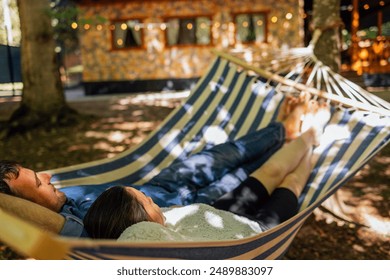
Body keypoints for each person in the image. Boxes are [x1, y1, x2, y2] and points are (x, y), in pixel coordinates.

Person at [0, 94, 320, 237]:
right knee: (245, 175)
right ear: (28, 211)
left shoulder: (62, 198)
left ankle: (284, 130)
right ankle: (289, 136)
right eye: (38, 184)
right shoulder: (71, 233)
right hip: (196, 207)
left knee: (228, 153)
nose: (48, 175)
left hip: (161, 184)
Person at [84, 99, 331, 240]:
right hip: (254, 232)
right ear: (142, 225)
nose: (150, 198)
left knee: (273, 170)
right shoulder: (160, 247)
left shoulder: (164, 220)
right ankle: (313, 136)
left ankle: (302, 135)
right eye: (146, 201)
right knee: (291, 183)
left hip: (217, 214)